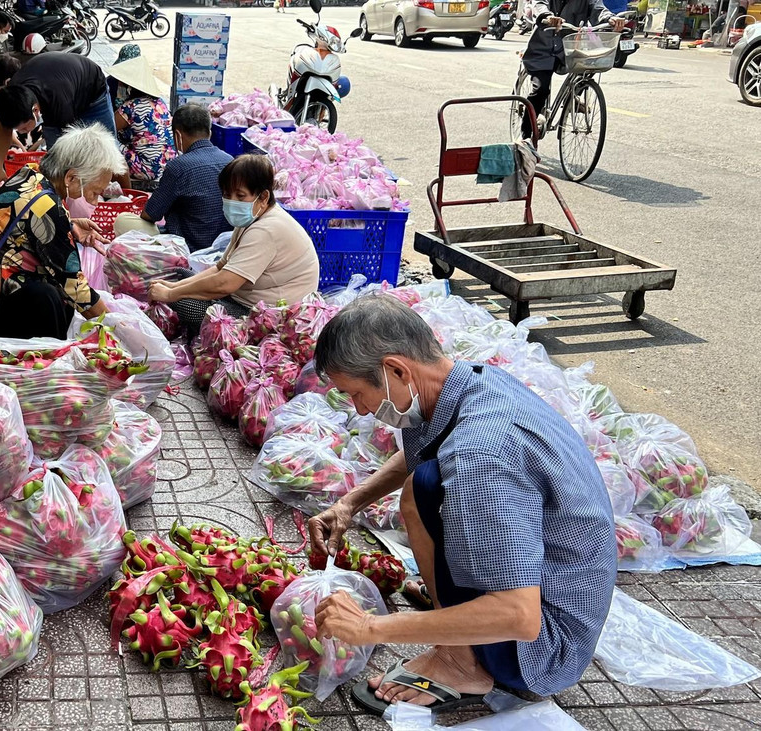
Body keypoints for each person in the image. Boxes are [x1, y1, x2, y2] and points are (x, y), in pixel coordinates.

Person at [306, 295, 617, 717]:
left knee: (433, 485)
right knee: (424, 483)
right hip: (563, 585)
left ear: (397, 369)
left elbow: (519, 616)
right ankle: (459, 624)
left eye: (357, 393)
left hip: (545, 643)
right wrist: (350, 503)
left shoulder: (481, 458)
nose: (359, 409)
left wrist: (369, 628)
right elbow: (430, 446)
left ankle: (462, 662)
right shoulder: (474, 381)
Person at [0, 125, 126, 339]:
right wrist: (117, 329)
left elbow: (27, 223)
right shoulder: (46, 207)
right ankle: (53, 361)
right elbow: (74, 287)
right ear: (71, 178)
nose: (95, 201)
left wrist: (69, 224)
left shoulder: (32, 174)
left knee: (58, 296)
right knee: (48, 297)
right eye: (94, 193)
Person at [146, 154, 318, 327]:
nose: (231, 201)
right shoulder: (253, 217)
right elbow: (221, 267)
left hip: (272, 316)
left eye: (240, 196)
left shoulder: (267, 229)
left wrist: (170, 295)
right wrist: (173, 287)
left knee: (185, 305)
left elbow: (225, 284)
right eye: (227, 194)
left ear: (263, 197)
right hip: (243, 295)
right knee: (181, 275)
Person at [113, 103, 233, 252]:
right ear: (210, 132)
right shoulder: (230, 161)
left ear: (177, 135)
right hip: (223, 245)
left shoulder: (178, 166)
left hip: (184, 246)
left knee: (122, 221)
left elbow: (150, 215)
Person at [0, 54, 125, 188]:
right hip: (58, 84)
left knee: (109, 153)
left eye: (25, 129)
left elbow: (73, 147)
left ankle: (128, 196)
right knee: (55, 167)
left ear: (36, 110)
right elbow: (4, 130)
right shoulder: (11, 98)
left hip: (92, 91)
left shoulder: (60, 104)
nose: (21, 132)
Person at [520, 0, 625, 138]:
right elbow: (539, 4)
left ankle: (573, 96)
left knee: (589, 67)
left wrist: (610, 18)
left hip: (569, 49)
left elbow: (598, 8)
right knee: (541, 89)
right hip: (542, 51)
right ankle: (525, 137)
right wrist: (547, 16)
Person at [107, 55, 178, 186]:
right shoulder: (160, 103)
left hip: (146, 169)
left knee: (107, 142)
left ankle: (125, 190)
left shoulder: (130, 107)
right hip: (167, 165)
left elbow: (106, 128)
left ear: (129, 87)